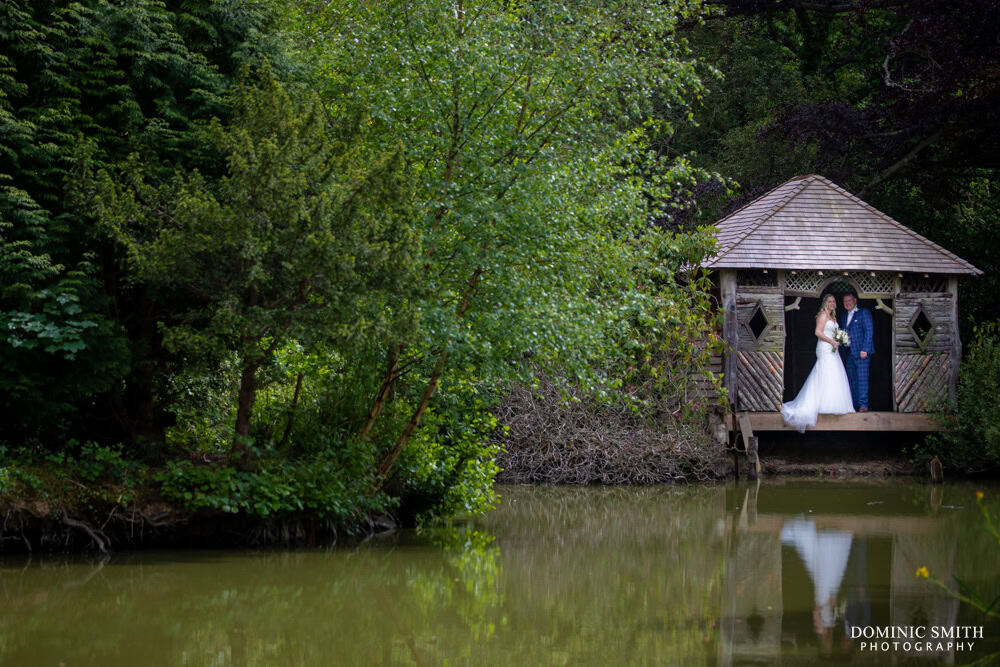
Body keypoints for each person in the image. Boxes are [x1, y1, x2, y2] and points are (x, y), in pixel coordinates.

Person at [780, 294, 856, 431]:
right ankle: (819, 405)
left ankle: (832, 404)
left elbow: (832, 332)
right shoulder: (823, 315)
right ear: (825, 303)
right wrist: (832, 341)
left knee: (834, 374)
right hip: (824, 348)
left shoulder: (833, 317)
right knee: (825, 372)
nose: (831, 303)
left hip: (833, 348)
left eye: (833, 301)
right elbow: (818, 332)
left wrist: (838, 339)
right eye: (829, 301)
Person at [839, 292, 874, 412]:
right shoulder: (844, 316)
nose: (847, 303)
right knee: (851, 379)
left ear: (855, 301)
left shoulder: (863, 312)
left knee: (862, 379)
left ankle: (863, 405)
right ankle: (854, 404)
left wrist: (865, 349)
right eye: (845, 301)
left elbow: (869, 331)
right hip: (849, 353)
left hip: (862, 353)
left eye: (849, 300)